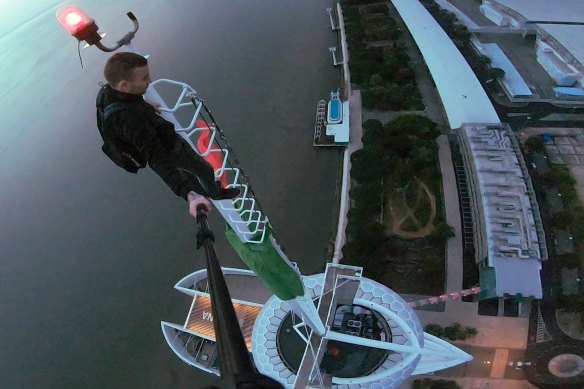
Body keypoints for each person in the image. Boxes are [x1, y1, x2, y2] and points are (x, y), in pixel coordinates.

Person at [97, 52, 239, 217]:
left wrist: (145, 106)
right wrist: (189, 195)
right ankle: (215, 193)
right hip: (169, 148)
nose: (150, 81)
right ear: (124, 85)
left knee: (186, 171)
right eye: (144, 78)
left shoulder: (108, 93)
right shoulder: (131, 120)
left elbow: (129, 101)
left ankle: (197, 185)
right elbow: (156, 159)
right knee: (203, 168)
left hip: (155, 134)